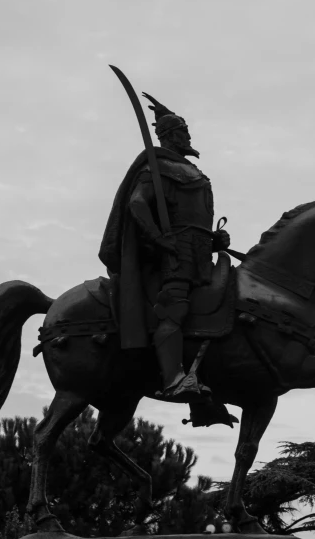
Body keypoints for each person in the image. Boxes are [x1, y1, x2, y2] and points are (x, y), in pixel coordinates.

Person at [99, 93, 230, 402]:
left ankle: (206, 381)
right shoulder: (157, 169)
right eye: (183, 132)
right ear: (171, 136)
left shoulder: (191, 172)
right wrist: (159, 239)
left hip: (198, 254)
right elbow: (137, 204)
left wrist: (214, 240)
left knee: (215, 305)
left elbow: (191, 220)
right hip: (174, 255)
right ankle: (173, 379)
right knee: (174, 307)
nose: (188, 137)